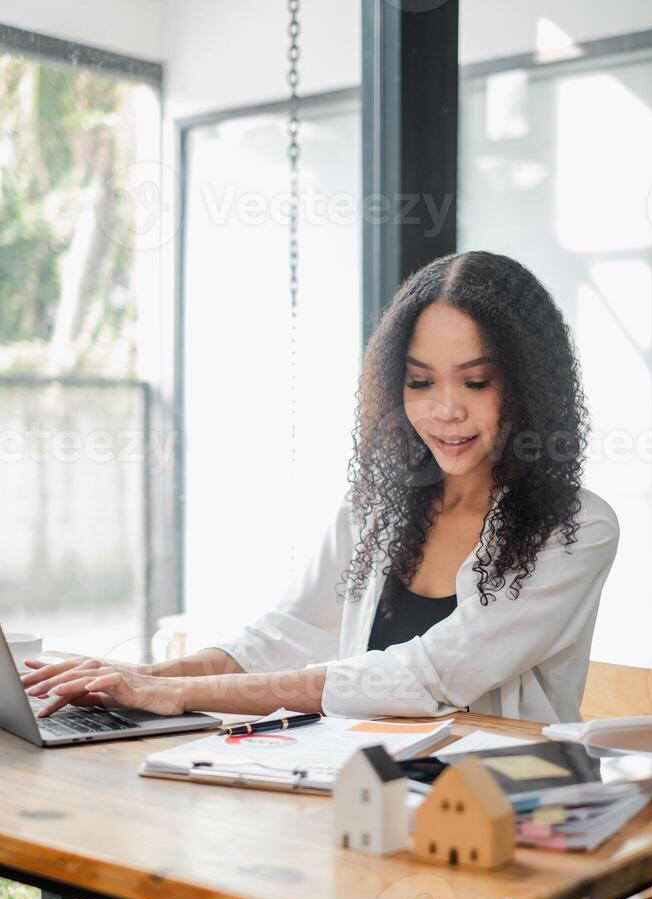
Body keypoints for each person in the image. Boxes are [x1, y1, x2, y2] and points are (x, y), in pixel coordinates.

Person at [21, 250, 620, 726]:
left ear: (530, 386)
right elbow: (281, 639)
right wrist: (134, 678)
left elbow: (430, 675)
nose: (446, 411)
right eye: (419, 381)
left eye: (477, 382)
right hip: (366, 795)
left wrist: (178, 692)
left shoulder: (577, 530)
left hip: (504, 822)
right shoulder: (378, 509)